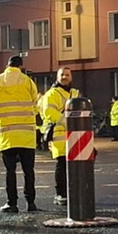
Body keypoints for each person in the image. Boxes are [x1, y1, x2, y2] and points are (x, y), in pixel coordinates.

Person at [0, 55, 41, 213]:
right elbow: (36, 105)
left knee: (10, 171)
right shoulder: (28, 81)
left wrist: (0, 115)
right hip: (26, 134)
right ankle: (31, 203)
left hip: (7, 133)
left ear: (7, 66)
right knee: (28, 171)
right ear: (21, 66)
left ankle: (12, 203)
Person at [39, 67, 80, 206]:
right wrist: (64, 120)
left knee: (74, 165)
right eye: (62, 74)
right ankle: (60, 193)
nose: (64, 77)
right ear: (57, 77)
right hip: (59, 134)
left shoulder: (75, 93)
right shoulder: (52, 93)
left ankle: (71, 192)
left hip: (75, 134)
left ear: (71, 77)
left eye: (67, 74)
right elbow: (48, 111)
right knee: (61, 164)